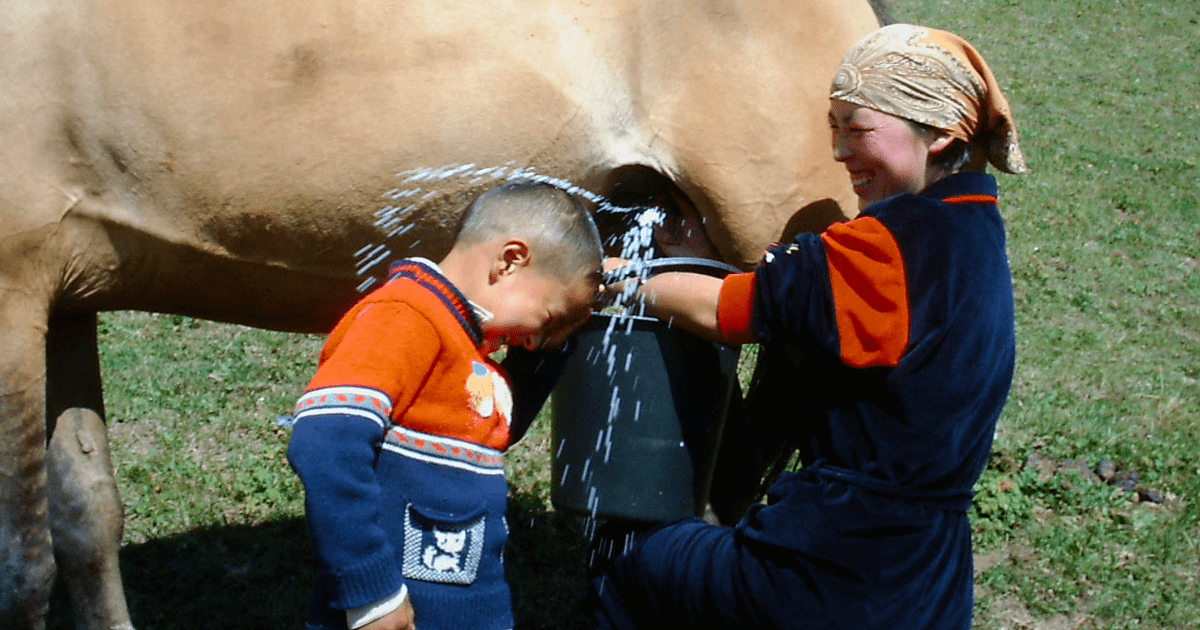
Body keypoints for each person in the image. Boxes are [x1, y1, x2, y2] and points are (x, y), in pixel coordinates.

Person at [592, 23, 1028, 629]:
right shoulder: (979, 231)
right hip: (932, 578)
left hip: (830, 566)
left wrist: (617, 274)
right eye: (833, 127)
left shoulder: (885, 246)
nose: (839, 151)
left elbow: (726, 312)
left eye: (858, 129)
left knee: (631, 564)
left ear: (942, 133)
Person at [287, 181, 604, 630]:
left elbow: (494, 427)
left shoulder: (468, 351)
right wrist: (372, 596)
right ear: (510, 260)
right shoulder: (405, 315)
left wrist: (569, 321)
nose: (536, 340)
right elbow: (327, 443)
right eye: (549, 320)